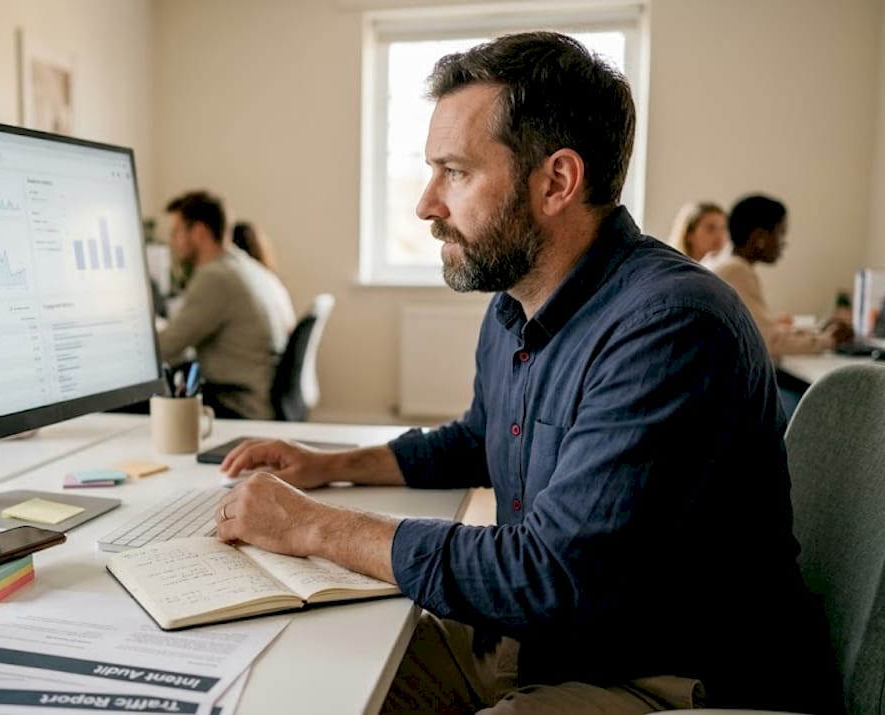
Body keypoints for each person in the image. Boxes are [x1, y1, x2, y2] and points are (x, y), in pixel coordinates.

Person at [212, 32, 838, 713]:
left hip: (672, 676)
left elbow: (551, 572)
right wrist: (326, 462)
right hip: (546, 639)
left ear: (557, 182)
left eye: (454, 171)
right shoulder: (519, 301)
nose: (426, 203)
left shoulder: (672, 324)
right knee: (308, 679)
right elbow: (481, 438)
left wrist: (314, 526)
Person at [158, 190, 294, 419]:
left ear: (199, 232)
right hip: (259, 396)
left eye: (176, 232)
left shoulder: (216, 277)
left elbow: (166, 348)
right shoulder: (245, 265)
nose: (172, 242)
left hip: (237, 404)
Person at [704, 194, 852, 357]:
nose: (783, 243)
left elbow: (759, 329)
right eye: (781, 233)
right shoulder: (737, 271)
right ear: (759, 238)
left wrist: (814, 332)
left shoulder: (717, 261)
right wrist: (828, 340)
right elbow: (769, 343)